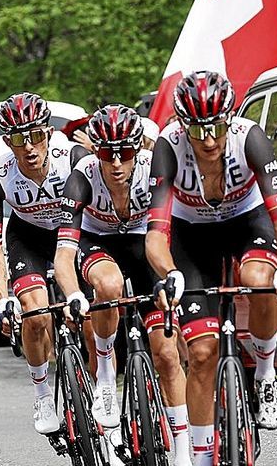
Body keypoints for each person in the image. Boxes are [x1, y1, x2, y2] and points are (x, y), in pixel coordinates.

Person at [146, 71, 277, 465]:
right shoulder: (169, 145)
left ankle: (266, 374)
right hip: (190, 234)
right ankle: (201, 457)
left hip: (246, 221)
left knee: (260, 279)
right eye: (198, 130)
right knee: (201, 353)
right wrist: (170, 273)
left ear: (228, 119)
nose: (210, 140)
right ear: (182, 124)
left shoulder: (249, 137)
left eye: (216, 127)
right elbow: (155, 234)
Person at [56, 105, 190, 465]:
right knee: (110, 286)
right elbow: (64, 255)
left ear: (138, 150)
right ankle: (103, 371)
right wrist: (72, 294)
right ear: (94, 152)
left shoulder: (153, 168)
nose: (116, 164)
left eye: (125, 153)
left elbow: (175, 231)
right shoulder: (82, 176)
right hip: (98, 242)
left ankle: (182, 451)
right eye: (106, 154)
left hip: (145, 240)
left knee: (165, 353)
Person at [0, 92, 87, 435]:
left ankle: (103, 386)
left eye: (36, 135)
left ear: (50, 133)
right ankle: (42, 394)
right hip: (28, 238)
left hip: (74, 232)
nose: (28, 147)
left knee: (96, 305)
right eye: (17, 139)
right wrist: (2, 299)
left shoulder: (73, 157)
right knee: (35, 312)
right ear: (6, 142)